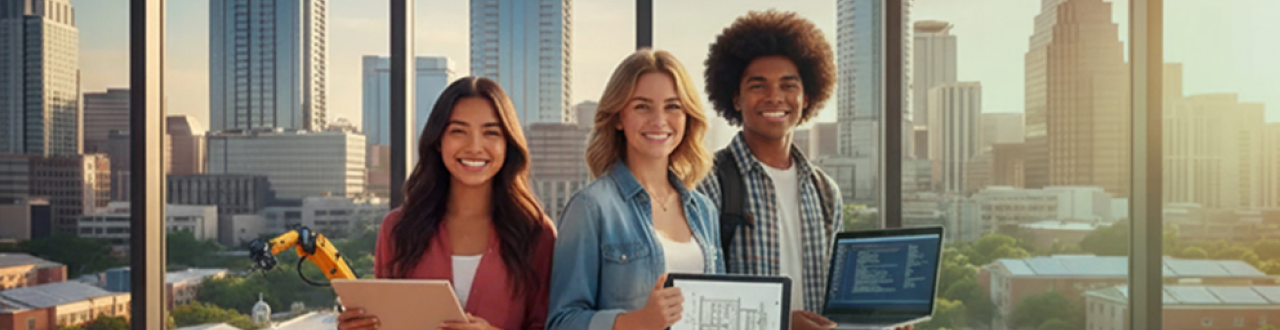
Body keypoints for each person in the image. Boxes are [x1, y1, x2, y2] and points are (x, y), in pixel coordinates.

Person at [698, 10, 913, 330]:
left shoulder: (825, 190)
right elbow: (698, 299)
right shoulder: (709, 183)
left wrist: (877, 323)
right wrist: (779, 323)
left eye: (788, 85)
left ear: (807, 96)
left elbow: (834, 302)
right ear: (736, 98)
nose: (774, 97)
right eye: (758, 86)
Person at [338, 77, 557, 330]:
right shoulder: (398, 228)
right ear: (438, 141)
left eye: (491, 133)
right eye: (458, 131)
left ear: (508, 145)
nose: (474, 147)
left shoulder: (536, 234)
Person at [546, 49, 722, 330]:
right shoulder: (591, 207)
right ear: (618, 117)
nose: (659, 120)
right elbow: (561, 322)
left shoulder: (704, 210)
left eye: (673, 106)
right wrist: (635, 322)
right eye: (642, 106)